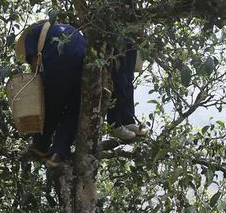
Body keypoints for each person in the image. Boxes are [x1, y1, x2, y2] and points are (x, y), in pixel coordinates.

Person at [16, 20, 145, 165]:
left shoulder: (32, 34)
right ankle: (58, 153)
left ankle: (40, 146)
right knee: (74, 111)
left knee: (51, 108)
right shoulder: (68, 29)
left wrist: (40, 89)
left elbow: (35, 64)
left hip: (57, 63)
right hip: (80, 66)